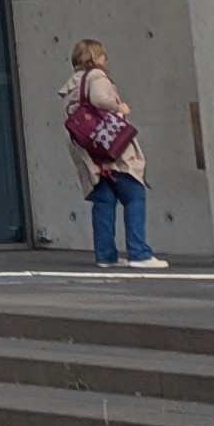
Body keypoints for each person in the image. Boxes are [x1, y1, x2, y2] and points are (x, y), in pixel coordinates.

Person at [61, 36, 163, 269]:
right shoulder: (97, 76)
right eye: (102, 55)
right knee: (134, 194)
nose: (105, 59)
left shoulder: (73, 83)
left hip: (86, 147)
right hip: (109, 142)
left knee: (104, 199)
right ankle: (139, 253)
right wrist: (119, 107)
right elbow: (99, 99)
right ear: (95, 57)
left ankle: (105, 255)